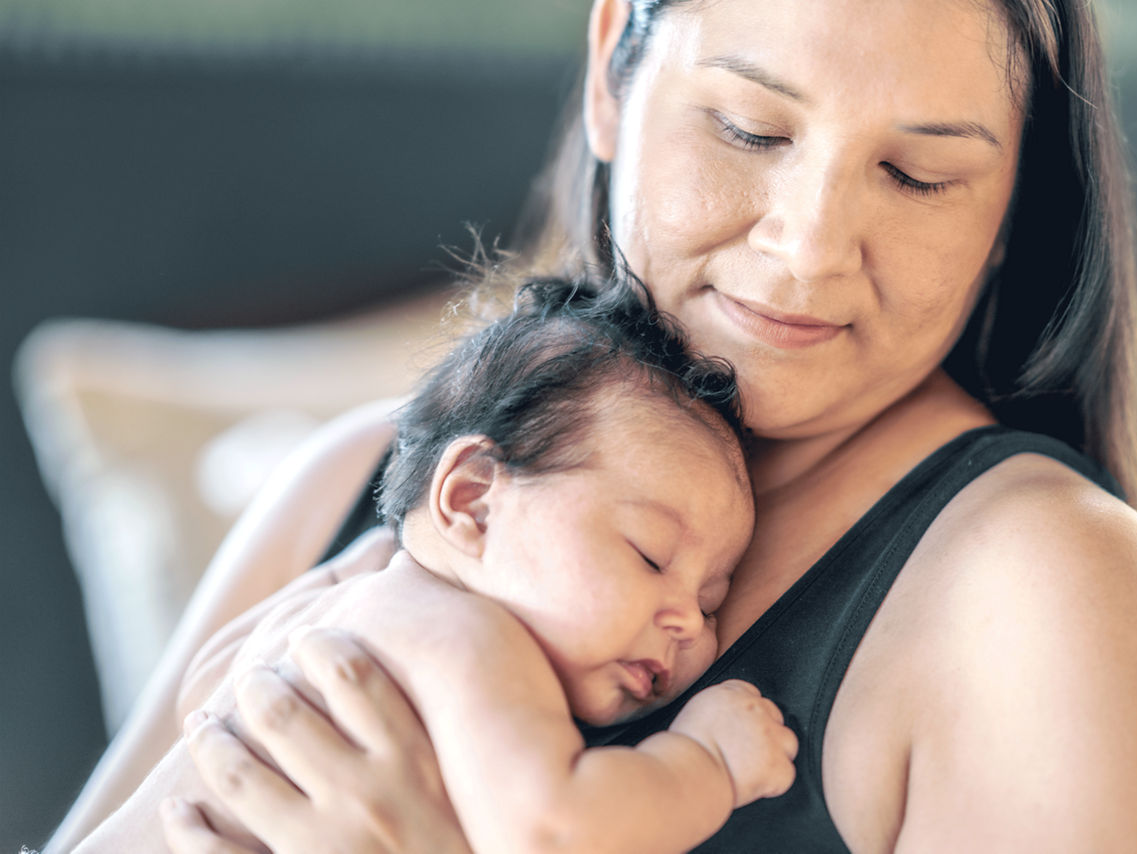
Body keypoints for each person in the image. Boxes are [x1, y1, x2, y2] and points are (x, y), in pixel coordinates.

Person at [49, 0, 1137, 851]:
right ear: (608, 74)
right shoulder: (346, 485)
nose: (805, 248)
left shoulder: (1043, 595)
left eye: (915, 176)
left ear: (1009, 207)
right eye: (747, 128)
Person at [71, 276, 799, 853]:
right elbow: (554, 831)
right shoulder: (468, 636)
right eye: (649, 555)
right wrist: (710, 761)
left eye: (710, 601)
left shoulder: (324, 606)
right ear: (474, 499)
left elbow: (201, 691)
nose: (686, 621)